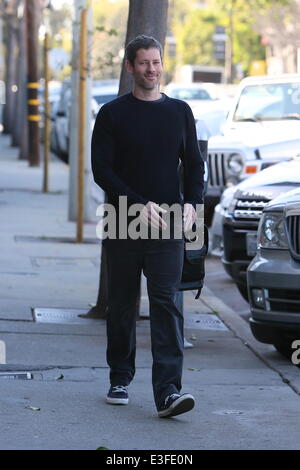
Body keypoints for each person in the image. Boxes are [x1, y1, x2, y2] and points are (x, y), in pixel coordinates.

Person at [91, 35, 204, 418]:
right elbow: (101, 171)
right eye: (143, 63)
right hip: (122, 220)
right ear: (129, 67)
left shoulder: (180, 112)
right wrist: (140, 204)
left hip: (169, 224)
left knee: (167, 305)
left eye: (156, 62)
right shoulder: (111, 114)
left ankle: (169, 392)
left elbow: (194, 164)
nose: (151, 69)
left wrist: (194, 204)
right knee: (122, 304)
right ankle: (120, 376)